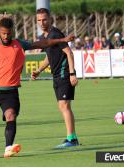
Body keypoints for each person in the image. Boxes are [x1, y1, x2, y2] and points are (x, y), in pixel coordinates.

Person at [0, 13, 74, 158]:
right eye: (3, 33)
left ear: (12, 31)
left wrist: (62, 39)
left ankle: (8, 148)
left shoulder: (20, 44)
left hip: (11, 92)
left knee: (11, 115)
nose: (6, 36)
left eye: (8, 33)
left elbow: (42, 44)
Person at [31, 8, 79, 149]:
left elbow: (69, 53)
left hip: (64, 73)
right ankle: (72, 137)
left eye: (44, 19)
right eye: (39, 20)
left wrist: (72, 74)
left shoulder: (55, 33)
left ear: (50, 19)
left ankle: (71, 139)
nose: (42, 22)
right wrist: (39, 70)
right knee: (62, 106)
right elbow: (49, 56)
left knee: (64, 105)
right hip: (56, 75)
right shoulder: (44, 37)